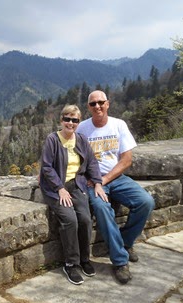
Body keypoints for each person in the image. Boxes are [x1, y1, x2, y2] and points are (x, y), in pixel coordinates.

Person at [76, 90, 155, 284]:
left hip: (116, 178)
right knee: (102, 209)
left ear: (108, 104)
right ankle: (120, 261)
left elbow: (127, 160)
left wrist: (105, 179)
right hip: (93, 182)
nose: (97, 107)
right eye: (93, 104)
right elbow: (73, 158)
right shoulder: (82, 129)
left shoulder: (119, 125)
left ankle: (125, 242)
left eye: (101, 102)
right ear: (88, 107)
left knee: (146, 202)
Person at [39, 104, 108, 285]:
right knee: (70, 220)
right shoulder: (52, 140)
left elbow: (92, 162)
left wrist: (98, 183)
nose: (70, 123)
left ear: (78, 122)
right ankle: (71, 264)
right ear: (61, 120)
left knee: (85, 219)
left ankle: (85, 259)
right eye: (67, 119)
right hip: (56, 188)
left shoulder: (82, 140)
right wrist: (59, 188)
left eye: (75, 120)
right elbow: (46, 167)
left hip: (77, 185)